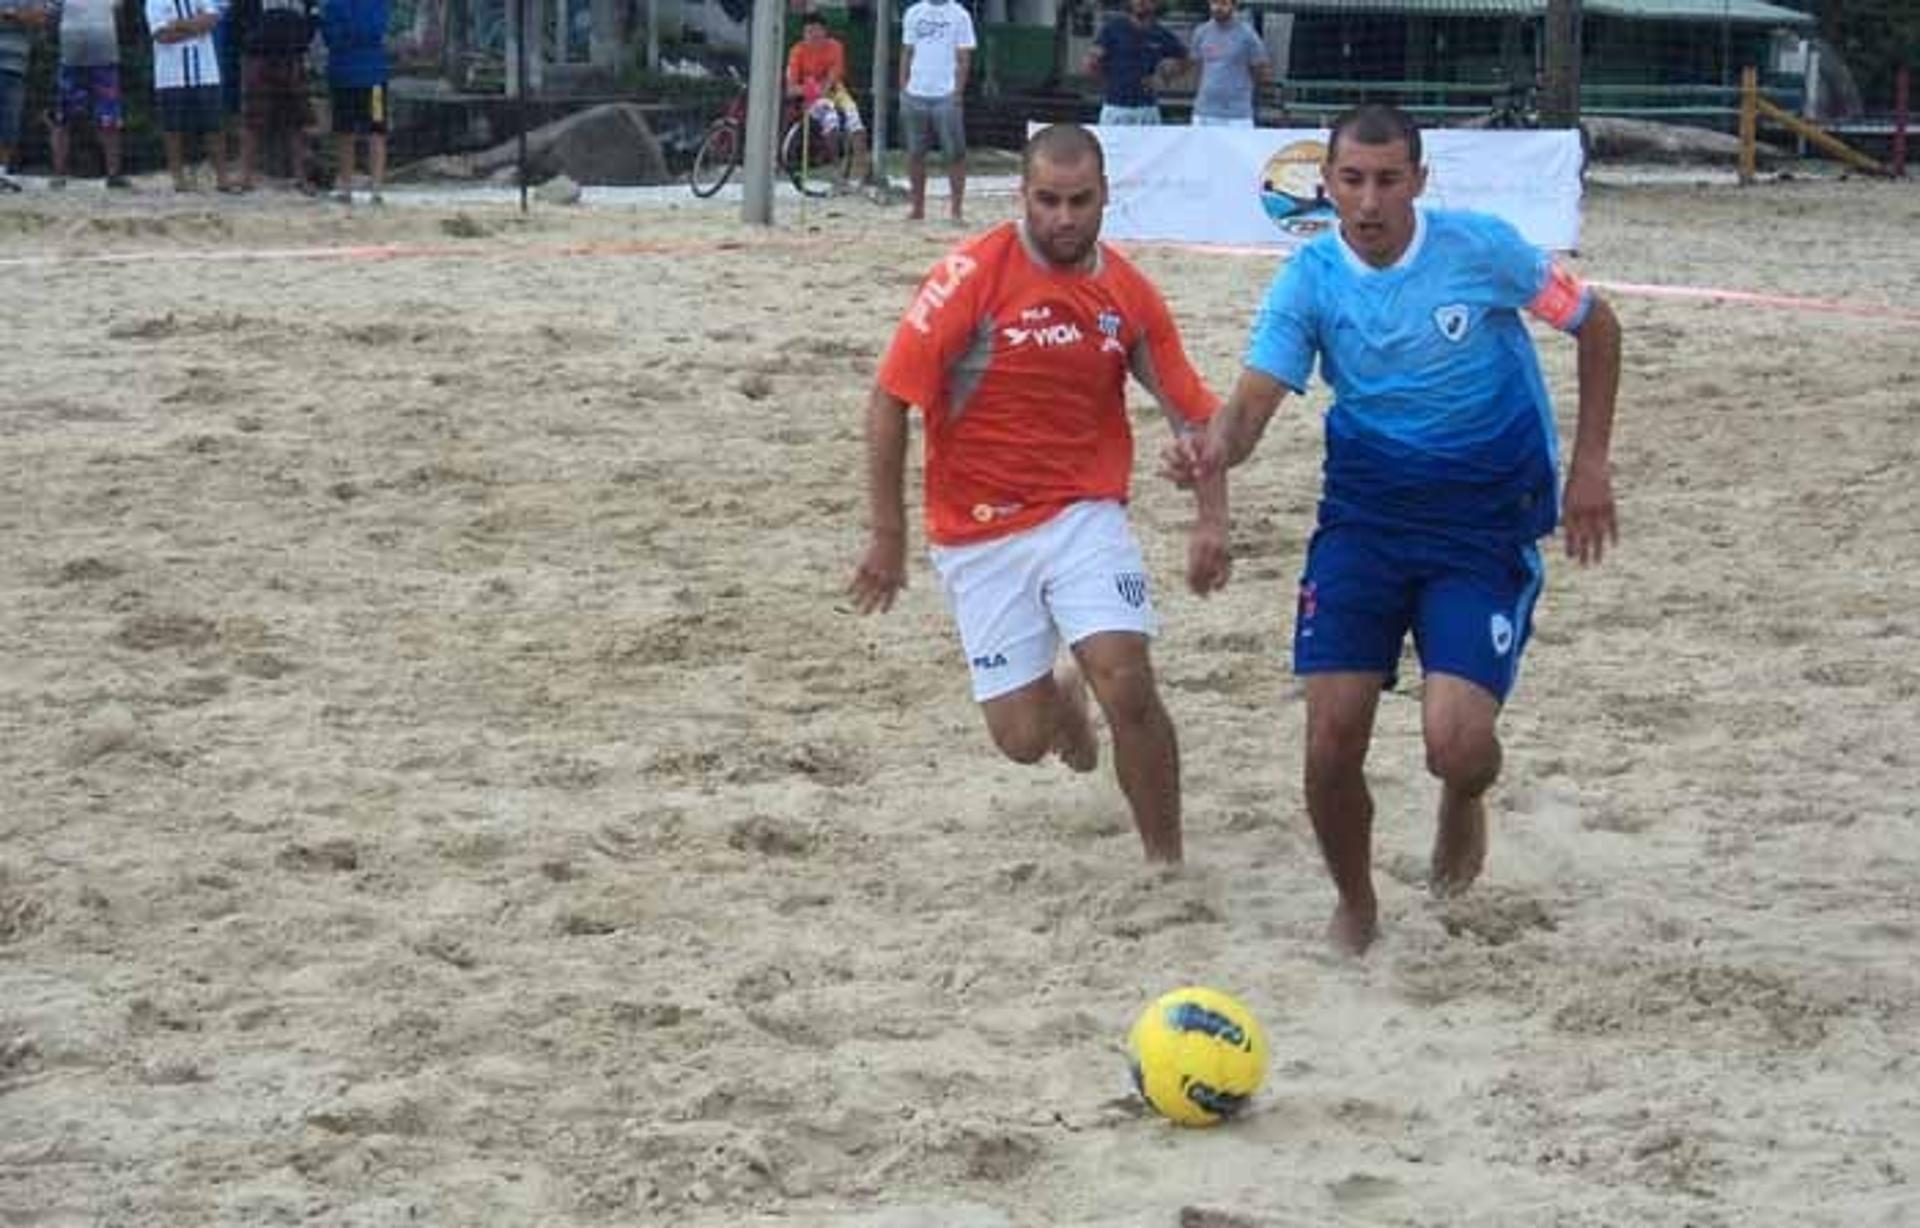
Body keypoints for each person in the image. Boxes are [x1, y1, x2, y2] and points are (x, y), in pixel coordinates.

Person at [1166, 104, 1622, 954]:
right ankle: (1357, 903)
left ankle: (1462, 798)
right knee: (1330, 741)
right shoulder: (1309, 278)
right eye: (1351, 181)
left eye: (1386, 181)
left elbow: (1596, 322)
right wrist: (1211, 450)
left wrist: (1590, 463)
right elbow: (1252, 409)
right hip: (1364, 524)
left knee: (1458, 746)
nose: (1369, 202)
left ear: (1419, 180)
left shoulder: (1481, 248)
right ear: (1326, 183)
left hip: (1480, 530)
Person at [849, 123, 1222, 865]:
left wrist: (1212, 520)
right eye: (1047, 200)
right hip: (976, 531)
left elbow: (1197, 414)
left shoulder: (1127, 294)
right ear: (1022, 195)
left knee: (1128, 680)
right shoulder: (971, 276)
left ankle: (1167, 865)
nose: (1062, 218)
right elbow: (890, 400)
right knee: (1021, 741)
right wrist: (887, 539)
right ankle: (1062, 698)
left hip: (1084, 513)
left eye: (1079, 200)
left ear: (1105, 195)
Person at [897, 0, 973, 223]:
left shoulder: (960, 15)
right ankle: (917, 208)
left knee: (955, 153)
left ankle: (956, 210)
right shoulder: (913, 13)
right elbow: (907, 51)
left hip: (946, 93)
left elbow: (964, 56)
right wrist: (904, 87)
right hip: (916, 92)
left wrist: (958, 92)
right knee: (915, 153)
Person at [148, 0, 233, 191]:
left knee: (214, 125)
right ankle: (178, 179)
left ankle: (222, 178)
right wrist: (196, 26)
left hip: (205, 69)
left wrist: (178, 24)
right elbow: (161, 35)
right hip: (170, 73)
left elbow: (212, 20)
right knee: (172, 128)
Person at [231, 0, 315, 191]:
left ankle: (300, 177)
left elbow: (313, 17)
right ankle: (245, 177)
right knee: (252, 119)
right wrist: (250, 42)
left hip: (293, 55)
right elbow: (236, 20)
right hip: (258, 56)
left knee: (297, 119)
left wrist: (301, 41)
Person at [47, 0, 128, 188]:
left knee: (109, 118)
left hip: (100, 55)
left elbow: (119, 7)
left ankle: (113, 174)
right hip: (75, 56)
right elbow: (51, 12)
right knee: (63, 117)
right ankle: (59, 174)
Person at [785, 12, 868, 186]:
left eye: (817, 31)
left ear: (824, 31)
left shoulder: (835, 47)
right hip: (810, 95)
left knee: (855, 119)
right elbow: (791, 88)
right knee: (831, 120)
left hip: (834, 90)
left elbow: (833, 77)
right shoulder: (797, 51)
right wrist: (810, 91)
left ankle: (862, 171)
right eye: (809, 32)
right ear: (803, 33)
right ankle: (836, 169)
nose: (813, 36)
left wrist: (824, 88)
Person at [320, 0, 387, 205]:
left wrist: (349, 35)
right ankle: (375, 189)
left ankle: (348, 189)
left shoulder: (333, 5)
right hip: (372, 75)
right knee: (374, 132)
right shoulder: (378, 4)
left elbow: (331, 38)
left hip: (347, 76)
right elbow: (376, 31)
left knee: (347, 133)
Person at [1086, 0, 1185, 126]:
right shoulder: (1112, 28)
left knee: (1151, 146)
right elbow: (1091, 63)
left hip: (1147, 108)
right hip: (1115, 107)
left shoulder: (1162, 34)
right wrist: (1097, 68)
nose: (1141, 1)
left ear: (1155, 3)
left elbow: (1185, 60)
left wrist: (1164, 76)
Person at [1188, 0, 1267, 128]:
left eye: (1223, 3)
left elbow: (1260, 70)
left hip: (1237, 115)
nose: (1217, 7)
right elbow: (1197, 69)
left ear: (1234, 6)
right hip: (1204, 113)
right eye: (1214, 3)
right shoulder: (1201, 32)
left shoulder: (1248, 35)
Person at [0, 0, 45, 191]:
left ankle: (1, 173)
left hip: (18, 64)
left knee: (10, 122)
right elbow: (30, 17)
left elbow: (40, 18)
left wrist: (9, 15)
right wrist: (21, 16)